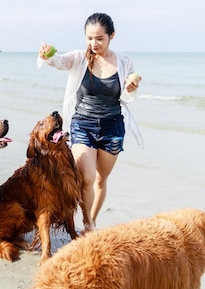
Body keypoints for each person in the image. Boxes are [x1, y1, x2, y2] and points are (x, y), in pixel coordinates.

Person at [37, 12, 143, 233]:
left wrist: (132, 86)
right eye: (89, 38)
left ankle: (91, 223)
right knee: (86, 177)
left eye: (99, 38)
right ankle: (87, 223)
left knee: (101, 179)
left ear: (111, 36)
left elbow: (128, 89)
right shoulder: (79, 58)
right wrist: (47, 55)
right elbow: (57, 62)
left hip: (112, 127)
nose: (93, 44)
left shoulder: (124, 62)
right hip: (82, 124)